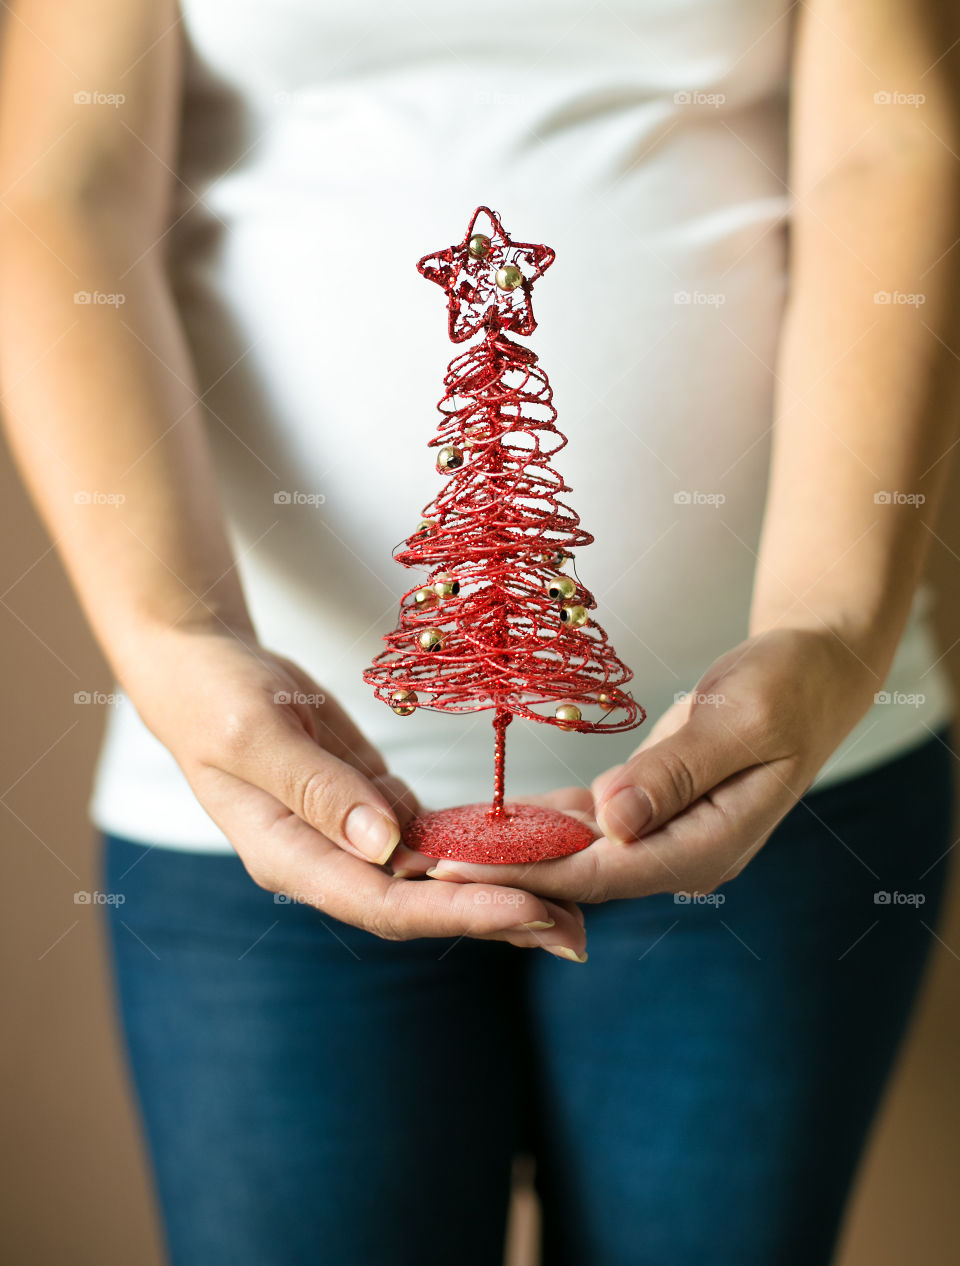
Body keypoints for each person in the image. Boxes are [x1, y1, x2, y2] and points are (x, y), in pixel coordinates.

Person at [1, 1, 957, 1264]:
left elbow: (889, 145)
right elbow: (62, 183)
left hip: (785, 778)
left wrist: (832, 630)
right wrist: (171, 638)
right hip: (249, 802)